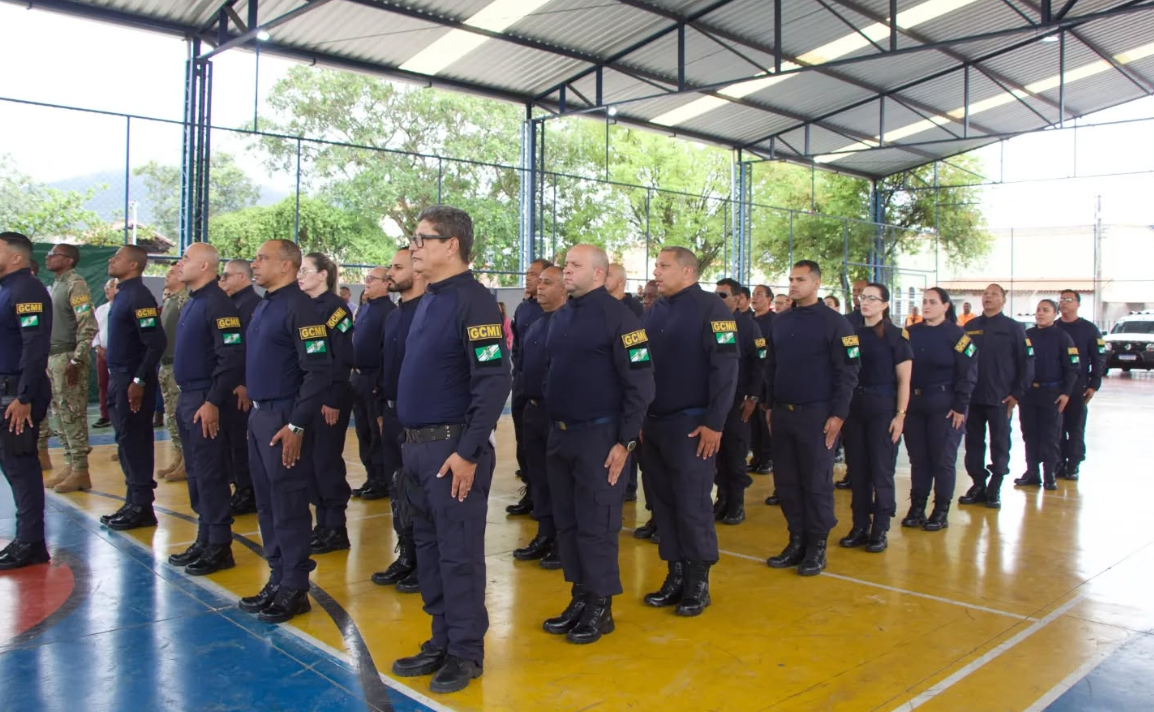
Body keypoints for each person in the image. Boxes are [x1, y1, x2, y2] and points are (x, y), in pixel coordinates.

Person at [389, 206, 511, 694]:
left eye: (422, 238)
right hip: (418, 448)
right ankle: (441, 638)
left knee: (458, 554)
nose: (414, 246)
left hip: (450, 449)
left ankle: (465, 651)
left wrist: (468, 450)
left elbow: (492, 379)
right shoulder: (429, 301)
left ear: (451, 245)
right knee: (430, 550)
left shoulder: (475, 303)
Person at [539, 246, 654, 644]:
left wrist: (625, 441)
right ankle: (580, 596)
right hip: (561, 435)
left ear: (600, 273)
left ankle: (601, 606)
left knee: (597, 525)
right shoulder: (562, 315)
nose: (566, 271)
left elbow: (641, 383)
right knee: (568, 522)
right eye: (566, 265)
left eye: (575, 266)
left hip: (600, 437)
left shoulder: (622, 318)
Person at [237, 240, 330, 624]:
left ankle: (295, 586)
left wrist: (297, 424)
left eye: (263, 258)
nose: (255, 264)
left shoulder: (300, 308)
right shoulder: (266, 304)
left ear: (288, 265)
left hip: (284, 418)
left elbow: (319, 370)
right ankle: (277, 576)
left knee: (289, 503)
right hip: (260, 416)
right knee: (267, 503)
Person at [641, 247, 737, 617]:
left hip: (693, 426)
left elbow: (726, 370)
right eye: (656, 266)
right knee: (662, 502)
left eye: (663, 266)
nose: (657, 272)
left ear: (686, 270)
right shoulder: (656, 310)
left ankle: (698, 579)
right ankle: (675, 573)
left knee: (692, 503)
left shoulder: (713, 309)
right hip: (656, 423)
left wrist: (715, 423)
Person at [764, 261, 860, 577]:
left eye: (800, 279)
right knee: (788, 482)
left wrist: (838, 415)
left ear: (816, 283)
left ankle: (816, 546)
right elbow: (772, 367)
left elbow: (848, 373)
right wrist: (768, 406)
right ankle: (796, 541)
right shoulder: (780, 321)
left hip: (817, 416)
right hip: (782, 413)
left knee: (816, 483)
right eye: (790, 279)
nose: (793, 284)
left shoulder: (837, 324)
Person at [167, 242, 244, 575]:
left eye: (186, 259)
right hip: (189, 397)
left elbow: (231, 356)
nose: (179, 264)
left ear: (205, 267)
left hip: (205, 398)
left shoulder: (218, 304)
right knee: (196, 472)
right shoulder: (193, 302)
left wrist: (213, 400)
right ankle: (204, 536)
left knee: (210, 472)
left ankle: (219, 545)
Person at [837, 283, 912, 553]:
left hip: (882, 408)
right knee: (857, 470)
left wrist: (900, 415)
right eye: (862, 297)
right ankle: (859, 526)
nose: (865, 302)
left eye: (872, 298)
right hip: (854, 407)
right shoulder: (851, 333)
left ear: (884, 304)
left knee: (881, 470)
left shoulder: (895, 336)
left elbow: (904, 380)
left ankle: (880, 528)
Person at [98, 246, 167, 531]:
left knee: (135, 440)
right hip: (119, 377)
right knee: (125, 440)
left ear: (134, 264)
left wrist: (139, 380)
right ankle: (133, 499)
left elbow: (155, 342)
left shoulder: (139, 296)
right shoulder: (123, 294)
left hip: (131, 380)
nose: (112, 260)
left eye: (119, 257)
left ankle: (142, 506)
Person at [370, 247, 427, 592]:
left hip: (417, 418)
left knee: (419, 492)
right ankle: (406, 555)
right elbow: (385, 365)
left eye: (397, 267)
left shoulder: (428, 314)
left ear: (417, 272)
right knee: (397, 488)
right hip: (391, 414)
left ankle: (423, 561)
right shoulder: (393, 316)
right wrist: (380, 407)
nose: (390, 272)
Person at [901, 288, 977, 531]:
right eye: (924, 302)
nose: (926, 306)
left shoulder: (959, 336)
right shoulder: (909, 334)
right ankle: (917, 508)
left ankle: (940, 511)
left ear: (945, 306)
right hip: (915, 405)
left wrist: (960, 406)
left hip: (945, 406)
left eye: (932, 302)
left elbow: (969, 373)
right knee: (918, 459)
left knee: (942, 460)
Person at [0, 232, 53, 570]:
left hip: (18, 392)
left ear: (17, 257)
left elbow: (35, 347)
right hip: (7, 391)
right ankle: (25, 538)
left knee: (21, 466)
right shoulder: (6, 289)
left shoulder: (27, 290)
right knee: (11, 465)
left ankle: (31, 542)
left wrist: (24, 396)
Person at [299, 252, 356, 555]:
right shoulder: (305, 307)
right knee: (310, 462)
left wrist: (333, 398)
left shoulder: (336, 310)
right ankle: (322, 523)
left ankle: (335, 526)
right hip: (308, 398)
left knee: (325, 461)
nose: (300, 275)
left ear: (323, 275)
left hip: (329, 398)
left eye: (306, 270)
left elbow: (342, 357)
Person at [959, 284, 1033, 510]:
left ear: (1003, 300)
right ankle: (978, 483)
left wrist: (1016, 394)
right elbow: (961, 359)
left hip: (1001, 399)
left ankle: (995, 485)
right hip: (973, 397)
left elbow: (1027, 363)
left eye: (994, 294)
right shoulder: (970, 327)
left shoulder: (1015, 328)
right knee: (973, 443)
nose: (988, 297)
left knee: (1000, 443)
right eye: (985, 294)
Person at [510, 266, 564, 569]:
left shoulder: (567, 323)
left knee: (557, 481)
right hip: (530, 408)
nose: (539, 287)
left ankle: (560, 540)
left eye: (547, 283)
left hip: (553, 412)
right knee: (538, 477)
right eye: (538, 282)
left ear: (563, 288)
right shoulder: (535, 321)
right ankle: (544, 533)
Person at [39, 244, 99, 493]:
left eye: (54, 254)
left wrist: (77, 359)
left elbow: (88, 324)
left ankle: (81, 469)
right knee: (60, 413)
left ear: (69, 260)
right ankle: (70, 464)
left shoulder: (76, 284)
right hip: (53, 357)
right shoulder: (58, 284)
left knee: (72, 412)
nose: (48, 257)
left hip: (67, 357)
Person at [712, 277, 763, 525]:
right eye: (716, 294)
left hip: (738, 401)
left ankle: (737, 503)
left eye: (723, 295)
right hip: (717, 400)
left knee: (734, 453)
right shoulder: (713, 323)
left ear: (738, 299)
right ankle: (722, 498)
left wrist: (753, 396)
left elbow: (759, 362)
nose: (718, 299)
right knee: (717, 454)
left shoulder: (748, 326)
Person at [1016, 300, 1078, 491]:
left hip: (1052, 393)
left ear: (1055, 314)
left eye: (1045, 310)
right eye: (1038, 310)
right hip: (1029, 393)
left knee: (1050, 435)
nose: (1040, 313)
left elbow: (1073, 367)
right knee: (1030, 433)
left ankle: (1049, 474)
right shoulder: (1027, 335)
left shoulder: (1062, 337)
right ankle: (1032, 471)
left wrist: (1066, 393)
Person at [507, 258, 551, 517]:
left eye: (535, 274)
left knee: (544, 449)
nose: (528, 277)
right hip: (522, 384)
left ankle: (544, 500)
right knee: (524, 442)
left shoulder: (556, 311)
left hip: (545, 392)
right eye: (528, 273)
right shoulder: (524, 309)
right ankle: (531, 491)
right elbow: (517, 346)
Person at [219, 259, 261, 514]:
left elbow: (250, 349)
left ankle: (248, 490)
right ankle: (239, 485)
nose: (223, 281)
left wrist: (244, 383)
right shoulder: (232, 304)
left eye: (227, 276)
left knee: (239, 440)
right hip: (229, 383)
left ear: (242, 277)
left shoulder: (251, 305)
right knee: (230, 440)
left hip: (241, 386)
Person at [349, 266, 395, 500]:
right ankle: (371, 475)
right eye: (366, 279)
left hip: (373, 379)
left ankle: (381, 479)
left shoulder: (389, 312)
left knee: (376, 432)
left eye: (371, 279)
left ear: (387, 283)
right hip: (357, 378)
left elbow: (386, 351)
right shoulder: (365, 309)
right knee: (363, 431)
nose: (366, 282)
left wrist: (379, 383)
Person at [1055, 289, 1105, 480]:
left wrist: (1094, 384)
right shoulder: (1054, 327)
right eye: (1061, 300)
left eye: (1069, 300)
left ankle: (1073, 464)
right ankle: (1057, 462)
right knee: (1056, 427)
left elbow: (1099, 357)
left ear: (1078, 304)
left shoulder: (1089, 329)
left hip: (1078, 385)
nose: (1064, 303)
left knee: (1075, 426)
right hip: (1056, 385)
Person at [606, 262, 644, 501]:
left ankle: (629, 485)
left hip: (627, 388)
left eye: (608, 274)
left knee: (626, 437)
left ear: (620, 280)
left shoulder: (632, 310)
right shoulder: (599, 308)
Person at [632, 277, 663, 541]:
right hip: (646, 411)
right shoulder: (641, 326)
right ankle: (655, 516)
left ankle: (666, 522)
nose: (648, 301)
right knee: (649, 469)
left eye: (653, 297)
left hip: (671, 412)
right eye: (646, 297)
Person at [157, 263, 189, 483]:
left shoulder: (184, 300)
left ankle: (187, 460)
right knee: (171, 415)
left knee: (180, 415)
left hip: (179, 365)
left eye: (170, 273)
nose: (166, 277)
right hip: (166, 364)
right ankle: (178, 455)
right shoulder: (169, 299)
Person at [749, 285, 775, 477]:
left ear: (769, 299)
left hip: (767, 376)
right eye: (753, 294)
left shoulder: (774, 321)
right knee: (752, 422)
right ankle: (756, 456)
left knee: (763, 418)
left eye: (759, 294)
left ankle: (767, 458)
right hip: (751, 377)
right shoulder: (749, 321)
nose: (754, 298)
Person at [92, 278, 117, 429]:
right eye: (106, 287)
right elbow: (94, 331)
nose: (107, 290)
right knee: (103, 384)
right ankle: (105, 415)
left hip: (120, 353)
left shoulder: (124, 307)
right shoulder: (101, 310)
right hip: (102, 353)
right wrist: (99, 348)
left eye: (111, 287)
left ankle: (119, 411)